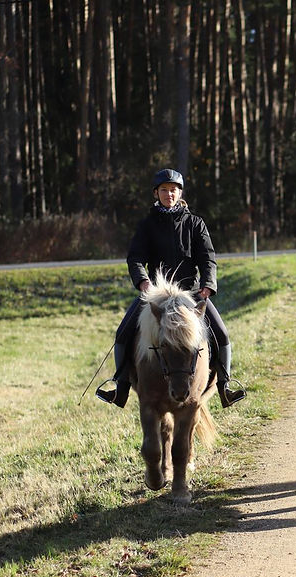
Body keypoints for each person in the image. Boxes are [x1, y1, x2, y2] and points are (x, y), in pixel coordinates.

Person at [96, 168, 246, 408]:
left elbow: (208, 258)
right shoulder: (146, 226)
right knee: (122, 334)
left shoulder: (196, 223)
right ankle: (120, 387)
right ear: (156, 193)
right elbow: (135, 259)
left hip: (191, 293)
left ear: (180, 193)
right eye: (164, 190)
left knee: (222, 334)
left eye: (174, 190)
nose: (169, 194)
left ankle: (225, 387)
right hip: (157, 294)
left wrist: (207, 285)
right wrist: (143, 282)